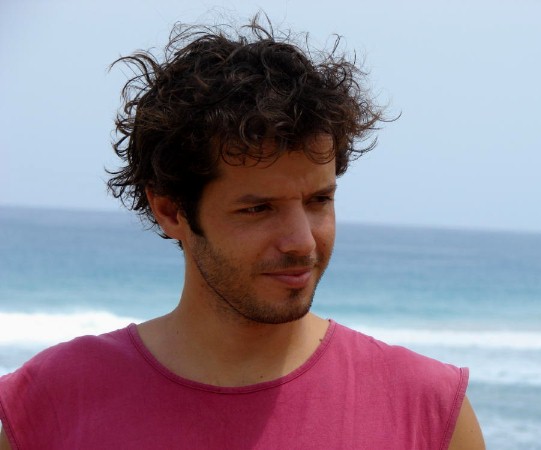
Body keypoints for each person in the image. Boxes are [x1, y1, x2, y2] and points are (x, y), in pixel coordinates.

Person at [0, 15, 485, 449]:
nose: (302, 241)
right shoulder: (49, 403)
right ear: (170, 211)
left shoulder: (429, 409)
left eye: (319, 200)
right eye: (258, 209)